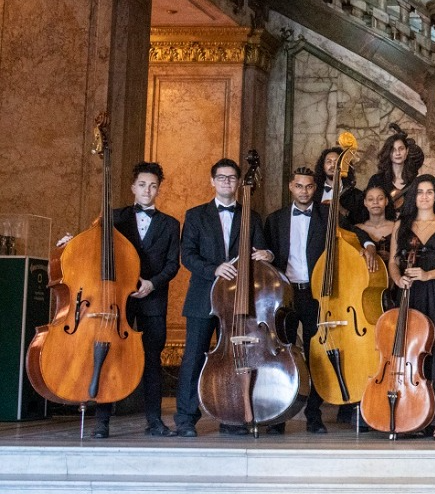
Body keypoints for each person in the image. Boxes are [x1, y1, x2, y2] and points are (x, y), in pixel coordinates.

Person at [174, 159, 273, 437]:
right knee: (193, 358)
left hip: (238, 300)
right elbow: (188, 255)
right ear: (212, 181)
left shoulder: (251, 216)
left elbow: (262, 251)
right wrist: (213, 268)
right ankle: (185, 419)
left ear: (239, 182)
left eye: (231, 178)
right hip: (203, 297)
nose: (226, 182)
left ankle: (232, 416)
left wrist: (267, 254)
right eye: (221, 177)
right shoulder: (195, 215)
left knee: (235, 358)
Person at [93, 161, 180, 439]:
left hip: (152, 300)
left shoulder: (170, 224)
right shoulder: (114, 217)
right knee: (108, 356)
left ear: (158, 189)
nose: (148, 190)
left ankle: (154, 421)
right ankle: (101, 422)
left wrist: (152, 283)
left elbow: (172, 264)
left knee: (152, 360)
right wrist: (72, 239)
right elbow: (92, 244)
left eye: (153, 186)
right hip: (117, 301)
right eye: (142, 185)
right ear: (133, 187)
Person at [389, 175, 435, 440]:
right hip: (409, 292)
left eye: (430, 192)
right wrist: (398, 279)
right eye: (420, 192)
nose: (425, 196)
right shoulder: (401, 225)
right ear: (413, 196)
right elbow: (394, 262)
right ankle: (412, 413)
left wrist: (429, 275)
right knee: (410, 353)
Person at [264, 167, 329, 433]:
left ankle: (314, 415)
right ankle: (279, 417)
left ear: (316, 188)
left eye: (309, 186)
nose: (304, 191)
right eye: (299, 186)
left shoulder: (327, 215)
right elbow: (266, 251)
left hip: (315, 294)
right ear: (291, 186)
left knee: (316, 354)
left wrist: (369, 246)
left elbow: (355, 234)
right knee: (283, 354)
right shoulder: (275, 219)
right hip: (286, 294)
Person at [368, 131, 425, 217]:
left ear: (407, 151)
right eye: (393, 150)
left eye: (401, 149)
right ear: (388, 153)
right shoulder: (376, 180)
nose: (397, 153)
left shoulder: (415, 182)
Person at [352, 183, 396, 271]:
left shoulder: (397, 227)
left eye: (380, 198)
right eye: (370, 199)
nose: (375, 202)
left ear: (386, 201)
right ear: (365, 202)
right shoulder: (357, 229)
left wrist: (392, 257)